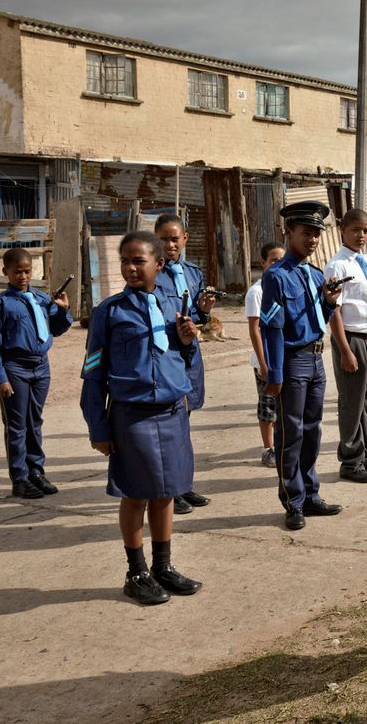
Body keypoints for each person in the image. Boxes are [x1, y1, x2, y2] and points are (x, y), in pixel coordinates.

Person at [80, 231, 204, 606]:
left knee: (166, 491)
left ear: (159, 264)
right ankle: (136, 573)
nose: (131, 268)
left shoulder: (174, 306)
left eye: (139, 261)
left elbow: (182, 359)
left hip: (170, 411)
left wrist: (187, 340)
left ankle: (163, 566)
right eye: (125, 261)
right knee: (135, 494)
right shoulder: (109, 312)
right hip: (131, 415)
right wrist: (98, 427)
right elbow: (93, 373)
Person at [259, 201, 343, 530]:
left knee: (312, 432)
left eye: (317, 235)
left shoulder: (315, 274)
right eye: (306, 233)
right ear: (288, 232)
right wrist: (275, 373)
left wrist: (330, 302)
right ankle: (292, 502)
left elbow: (320, 319)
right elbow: (272, 328)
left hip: (316, 359)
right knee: (290, 435)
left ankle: (310, 495)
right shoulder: (276, 277)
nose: (312, 240)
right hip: (292, 363)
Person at [0, 247, 73, 499]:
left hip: (41, 367)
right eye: (17, 272)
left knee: (34, 421)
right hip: (15, 368)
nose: (23, 276)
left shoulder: (43, 299)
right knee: (16, 425)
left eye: (27, 271)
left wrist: (62, 310)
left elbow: (56, 329)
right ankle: (20, 479)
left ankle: (36, 472)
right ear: (6, 272)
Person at [325, 208, 367, 484]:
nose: (361, 235)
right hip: (353, 340)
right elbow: (334, 311)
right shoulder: (337, 265)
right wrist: (345, 350)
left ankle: (366, 454)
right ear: (343, 230)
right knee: (352, 404)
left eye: (365, 230)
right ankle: (350, 462)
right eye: (355, 229)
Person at [153, 214, 214, 514]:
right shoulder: (153, 274)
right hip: (168, 355)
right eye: (163, 239)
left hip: (190, 355)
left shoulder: (192, 272)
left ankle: (185, 485)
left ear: (185, 239)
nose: (169, 244)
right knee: (171, 427)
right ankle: (171, 490)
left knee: (185, 424)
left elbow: (198, 317)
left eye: (174, 238)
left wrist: (203, 311)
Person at [244, 241, 285, 467]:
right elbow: (254, 329)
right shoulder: (256, 292)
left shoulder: (283, 286)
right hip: (266, 360)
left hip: (283, 357)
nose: (278, 264)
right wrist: (263, 363)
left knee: (284, 406)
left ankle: (282, 445)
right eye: (273, 261)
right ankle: (268, 449)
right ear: (263, 263)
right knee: (267, 406)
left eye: (282, 260)